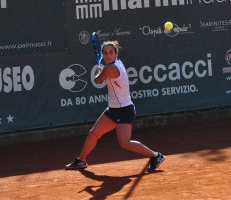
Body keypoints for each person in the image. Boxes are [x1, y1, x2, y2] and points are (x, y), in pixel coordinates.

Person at [65, 40, 165, 172]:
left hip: (124, 110)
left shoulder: (111, 68)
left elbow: (97, 80)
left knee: (125, 143)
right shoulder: (116, 64)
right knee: (93, 134)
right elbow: (104, 76)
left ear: (116, 54)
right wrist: (102, 70)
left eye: (111, 52)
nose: (108, 55)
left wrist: (99, 72)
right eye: (105, 53)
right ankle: (81, 161)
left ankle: (155, 156)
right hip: (112, 109)